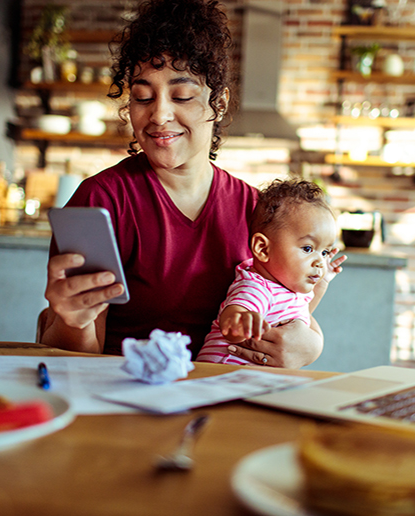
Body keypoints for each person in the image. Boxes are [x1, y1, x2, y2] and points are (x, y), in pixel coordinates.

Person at [39, 0, 324, 368]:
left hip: (222, 399)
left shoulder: (257, 210)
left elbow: (289, 304)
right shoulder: (101, 200)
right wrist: (71, 320)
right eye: (143, 96)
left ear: (218, 103)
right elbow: (71, 360)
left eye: (182, 96)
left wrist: (310, 343)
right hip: (125, 398)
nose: (159, 115)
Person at [197, 179, 346, 365]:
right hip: (219, 375)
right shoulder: (257, 286)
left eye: (324, 252)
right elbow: (234, 315)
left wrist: (323, 282)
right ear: (263, 249)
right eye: (308, 248)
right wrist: (241, 320)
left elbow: (303, 314)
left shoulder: (288, 290)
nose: (320, 262)